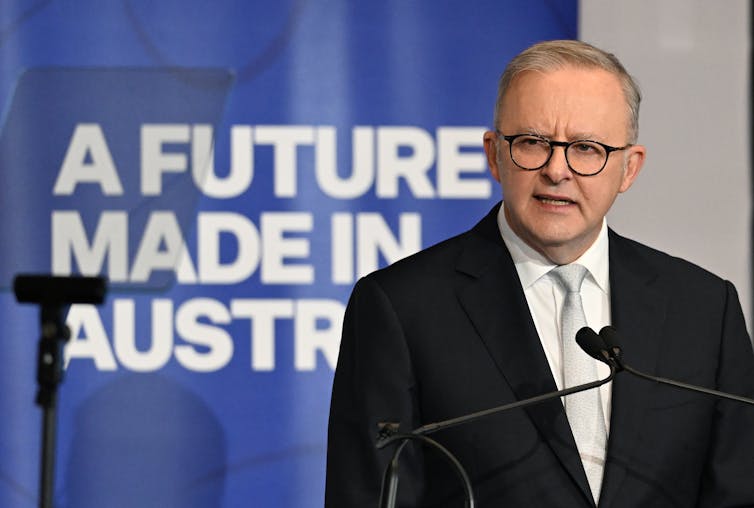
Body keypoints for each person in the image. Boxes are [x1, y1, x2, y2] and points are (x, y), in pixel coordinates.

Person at [325, 40, 754, 507]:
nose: (557, 170)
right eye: (533, 143)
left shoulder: (704, 310)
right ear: (494, 155)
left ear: (629, 168)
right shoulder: (402, 308)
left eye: (587, 149)